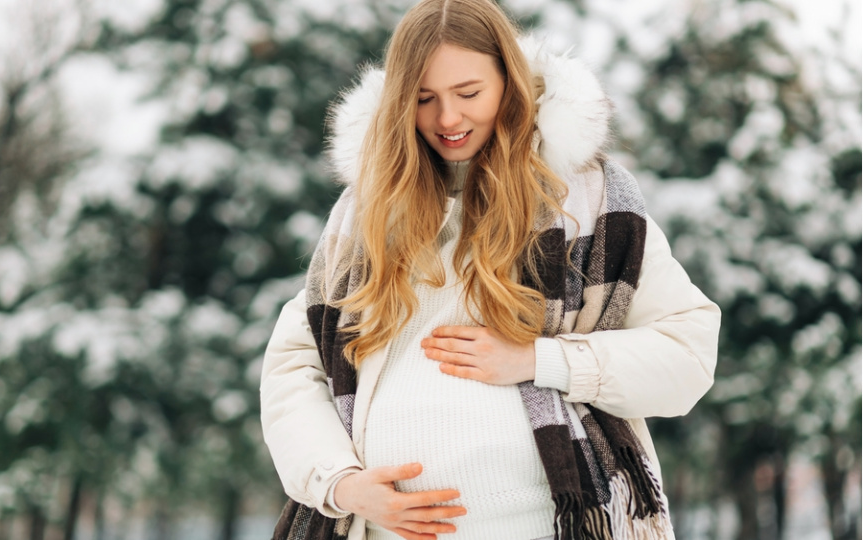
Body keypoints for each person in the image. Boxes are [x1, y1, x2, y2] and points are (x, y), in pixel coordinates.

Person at [260, 0, 720, 539]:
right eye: (424, 99)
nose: (447, 119)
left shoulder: (590, 199)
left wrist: (540, 360)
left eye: (468, 93)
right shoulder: (365, 213)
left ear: (510, 82)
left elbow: (687, 354)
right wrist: (339, 484)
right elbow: (294, 366)